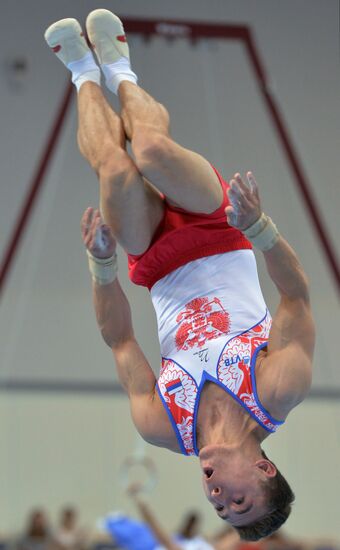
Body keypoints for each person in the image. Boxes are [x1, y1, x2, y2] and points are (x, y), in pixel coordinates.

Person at [44, 9, 315, 541]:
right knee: (148, 151)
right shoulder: (277, 390)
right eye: (238, 499)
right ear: (265, 469)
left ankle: (82, 71)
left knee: (116, 170)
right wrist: (259, 226)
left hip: (156, 262)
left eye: (220, 510)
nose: (217, 497)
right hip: (221, 232)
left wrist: (102, 265)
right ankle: (120, 69)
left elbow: (120, 340)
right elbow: (297, 297)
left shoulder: (166, 427)